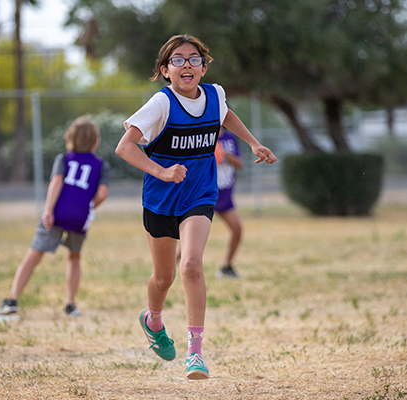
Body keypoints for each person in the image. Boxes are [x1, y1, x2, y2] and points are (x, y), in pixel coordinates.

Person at [115, 34, 277, 380]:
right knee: (164, 277)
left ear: (204, 68)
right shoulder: (161, 104)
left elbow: (226, 114)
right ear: (165, 70)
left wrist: (253, 143)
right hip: (160, 199)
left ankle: (196, 352)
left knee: (190, 265)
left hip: (200, 195)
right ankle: (153, 319)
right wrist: (161, 171)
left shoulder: (215, 95)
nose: (186, 64)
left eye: (193, 59)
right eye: (177, 59)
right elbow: (125, 147)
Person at [0, 116, 110, 317]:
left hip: (57, 214)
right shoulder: (101, 165)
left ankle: (12, 299)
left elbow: (57, 182)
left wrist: (48, 210)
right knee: (74, 257)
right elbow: (102, 194)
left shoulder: (64, 159)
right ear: (95, 141)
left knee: (34, 254)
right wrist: (88, 207)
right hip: (79, 218)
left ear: (70, 139)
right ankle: (70, 304)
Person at [214, 127, 244, 279]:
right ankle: (168, 270)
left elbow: (240, 164)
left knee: (237, 230)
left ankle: (226, 267)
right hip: (206, 194)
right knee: (196, 238)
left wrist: (224, 154)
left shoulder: (229, 138)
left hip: (225, 194)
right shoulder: (204, 134)